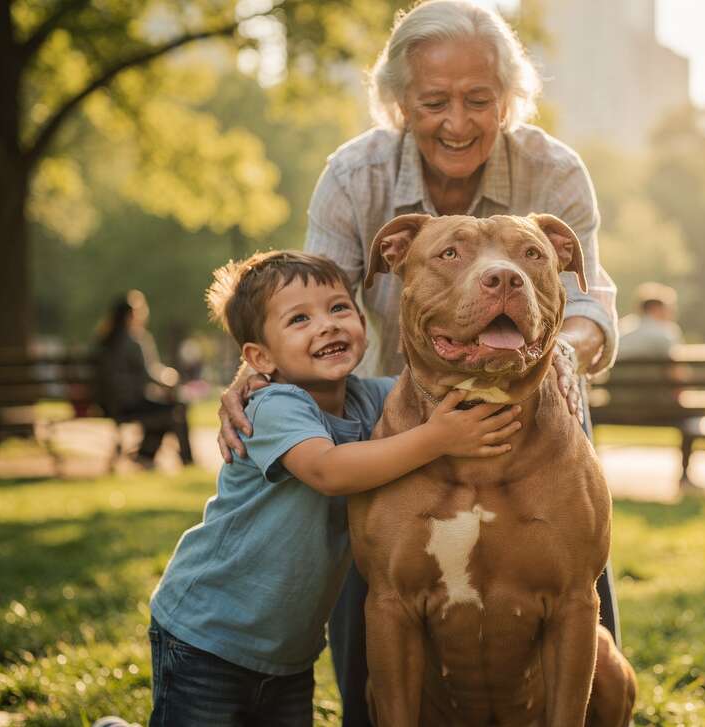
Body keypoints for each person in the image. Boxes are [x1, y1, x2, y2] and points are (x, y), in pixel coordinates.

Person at [212, 2, 621, 723]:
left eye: (479, 100)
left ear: (508, 99)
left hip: (540, 414)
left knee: (580, 608)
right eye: (434, 102)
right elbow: (310, 303)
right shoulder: (355, 176)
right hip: (399, 418)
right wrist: (258, 371)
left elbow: (590, 300)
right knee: (373, 591)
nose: (457, 122)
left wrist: (561, 350)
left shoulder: (553, 170)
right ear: (401, 103)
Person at [148, 250, 518, 726]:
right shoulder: (273, 405)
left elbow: (436, 388)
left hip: (288, 654)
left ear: (362, 321)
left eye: (339, 309)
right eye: (299, 318)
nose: (327, 325)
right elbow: (328, 471)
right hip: (207, 636)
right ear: (259, 358)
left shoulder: (372, 398)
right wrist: (437, 438)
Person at [617, 282, 705, 494]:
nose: (671, 313)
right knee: (697, 415)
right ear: (655, 309)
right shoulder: (665, 333)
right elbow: (676, 374)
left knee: (692, 415)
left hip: (617, 406)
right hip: (653, 407)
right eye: (668, 309)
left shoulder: (621, 331)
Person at [93, 290, 193, 468]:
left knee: (164, 411)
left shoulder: (104, 341)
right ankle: (186, 460)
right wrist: (171, 378)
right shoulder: (133, 340)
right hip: (131, 404)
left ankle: (146, 454)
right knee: (177, 408)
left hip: (108, 404)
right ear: (131, 315)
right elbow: (149, 374)